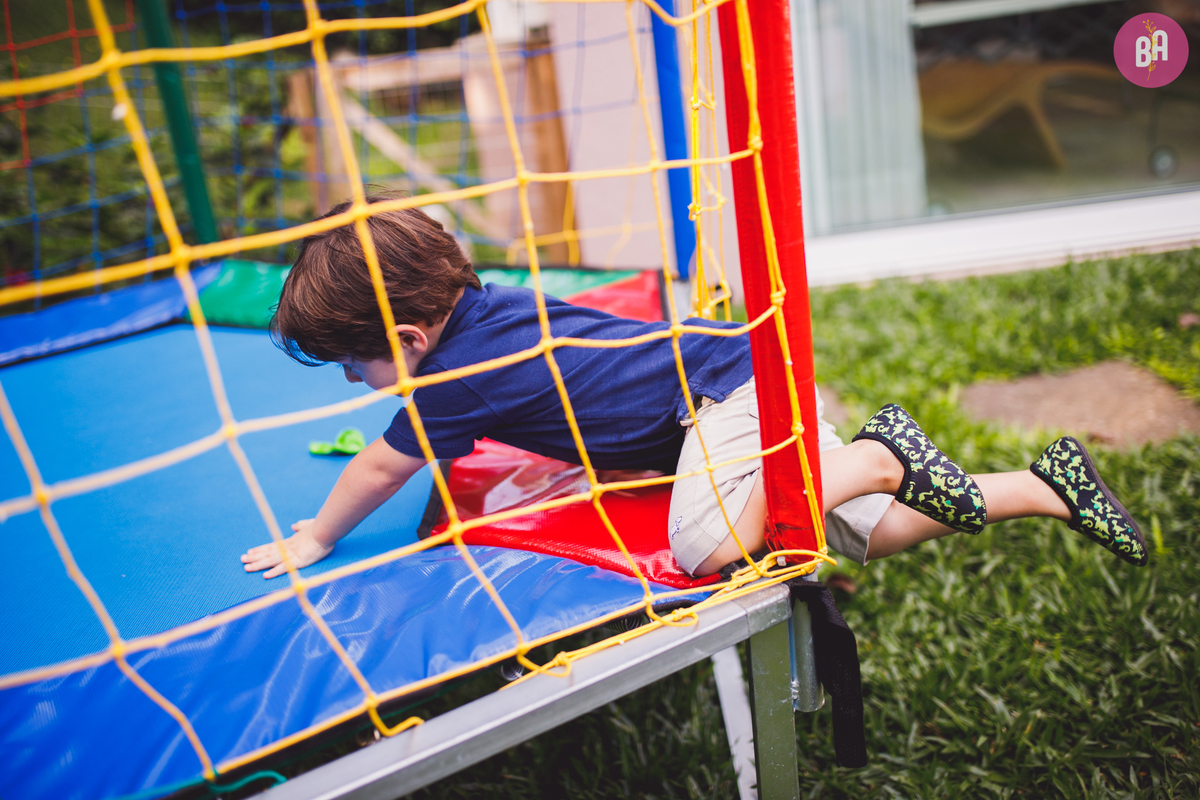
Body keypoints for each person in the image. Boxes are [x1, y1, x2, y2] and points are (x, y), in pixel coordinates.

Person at [241, 199, 1147, 579]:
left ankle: (873, 456)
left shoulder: (454, 382)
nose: (361, 383)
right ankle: (1044, 486)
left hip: (723, 399)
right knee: (878, 532)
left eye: (358, 363)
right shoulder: (493, 301)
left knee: (708, 547)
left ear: (406, 340)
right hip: (741, 373)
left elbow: (379, 471)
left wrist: (315, 538)